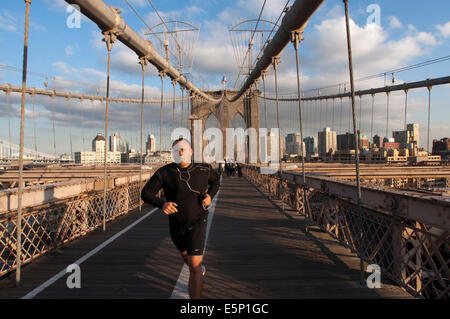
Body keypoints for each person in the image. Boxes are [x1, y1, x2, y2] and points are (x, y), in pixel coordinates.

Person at [141, 138, 220, 299]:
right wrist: (161, 204)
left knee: (195, 267)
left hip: (198, 221)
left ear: (191, 151)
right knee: (188, 260)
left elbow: (216, 181)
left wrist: (210, 196)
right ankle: (197, 268)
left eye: (184, 149)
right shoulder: (164, 172)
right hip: (176, 226)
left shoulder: (203, 169)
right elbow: (146, 193)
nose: (181, 152)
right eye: (177, 150)